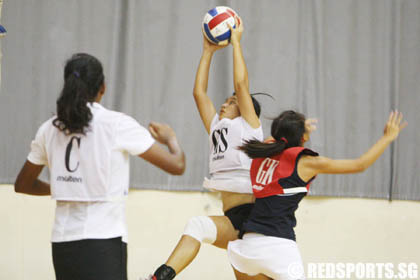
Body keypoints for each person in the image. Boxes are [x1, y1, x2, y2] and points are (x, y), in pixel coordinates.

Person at [14, 53, 186, 280]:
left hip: (62, 244)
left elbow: (22, 184)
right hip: (103, 241)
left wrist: (64, 186)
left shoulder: (49, 128)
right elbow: (177, 165)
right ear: (102, 87)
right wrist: (171, 139)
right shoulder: (116, 124)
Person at [227, 110, 407, 280]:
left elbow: (278, 136)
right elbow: (360, 164)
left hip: (246, 247)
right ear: (304, 136)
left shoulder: (263, 152)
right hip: (277, 248)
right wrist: (387, 137)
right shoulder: (307, 162)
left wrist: (295, 127)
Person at [149, 17, 265, 280]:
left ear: (246, 110)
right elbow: (199, 93)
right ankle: (159, 277)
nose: (224, 105)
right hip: (235, 219)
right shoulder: (217, 127)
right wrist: (207, 52)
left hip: (255, 218)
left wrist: (236, 43)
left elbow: (241, 85)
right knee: (197, 226)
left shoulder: (249, 126)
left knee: (199, 226)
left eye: (232, 102)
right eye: (225, 101)